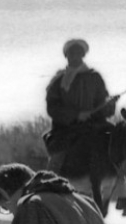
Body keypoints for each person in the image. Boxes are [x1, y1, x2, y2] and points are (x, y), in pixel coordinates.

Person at [43, 38, 116, 172]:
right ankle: (50, 180)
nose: (75, 57)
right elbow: (52, 107)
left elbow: (102, 103)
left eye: (78, 54)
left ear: (83, 55)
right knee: (58, 157)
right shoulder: (58, 81)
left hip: (94, 125)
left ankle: (121, 181)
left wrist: (109, 105)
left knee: (117, 141)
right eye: (72, 54)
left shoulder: (95, 78)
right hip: (66, 129)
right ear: (67, 56)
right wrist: (75, 115)